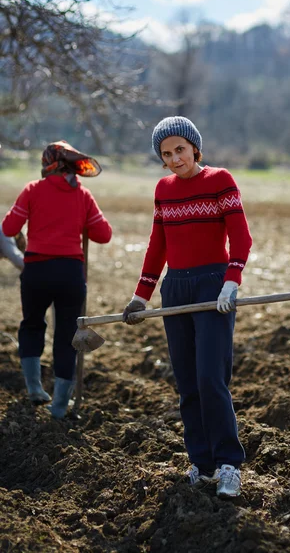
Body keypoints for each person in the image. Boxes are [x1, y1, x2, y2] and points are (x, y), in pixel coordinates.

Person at [123, 116, 252, 497]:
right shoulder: (163, 190)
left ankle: (229, 464)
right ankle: (202, 464)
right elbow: (157, 246)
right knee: (188, 383)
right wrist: (141, 295)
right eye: (166, 154)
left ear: (195, 147)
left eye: (180, 149)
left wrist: (231, 281)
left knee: (212, 378)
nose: (175, 158)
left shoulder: (220, 180)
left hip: (213, 287)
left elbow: (240, 238)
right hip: (175, 288)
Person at [1, 140, 112, 418]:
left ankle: (35, 388)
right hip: (70, 273)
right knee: (66, 336)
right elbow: (104, 234)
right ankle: (60, 406)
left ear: (48, 165)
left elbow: (9, 227)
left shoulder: (32, 190)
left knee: (31, 325)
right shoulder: (83, 196)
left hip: (36, 271)